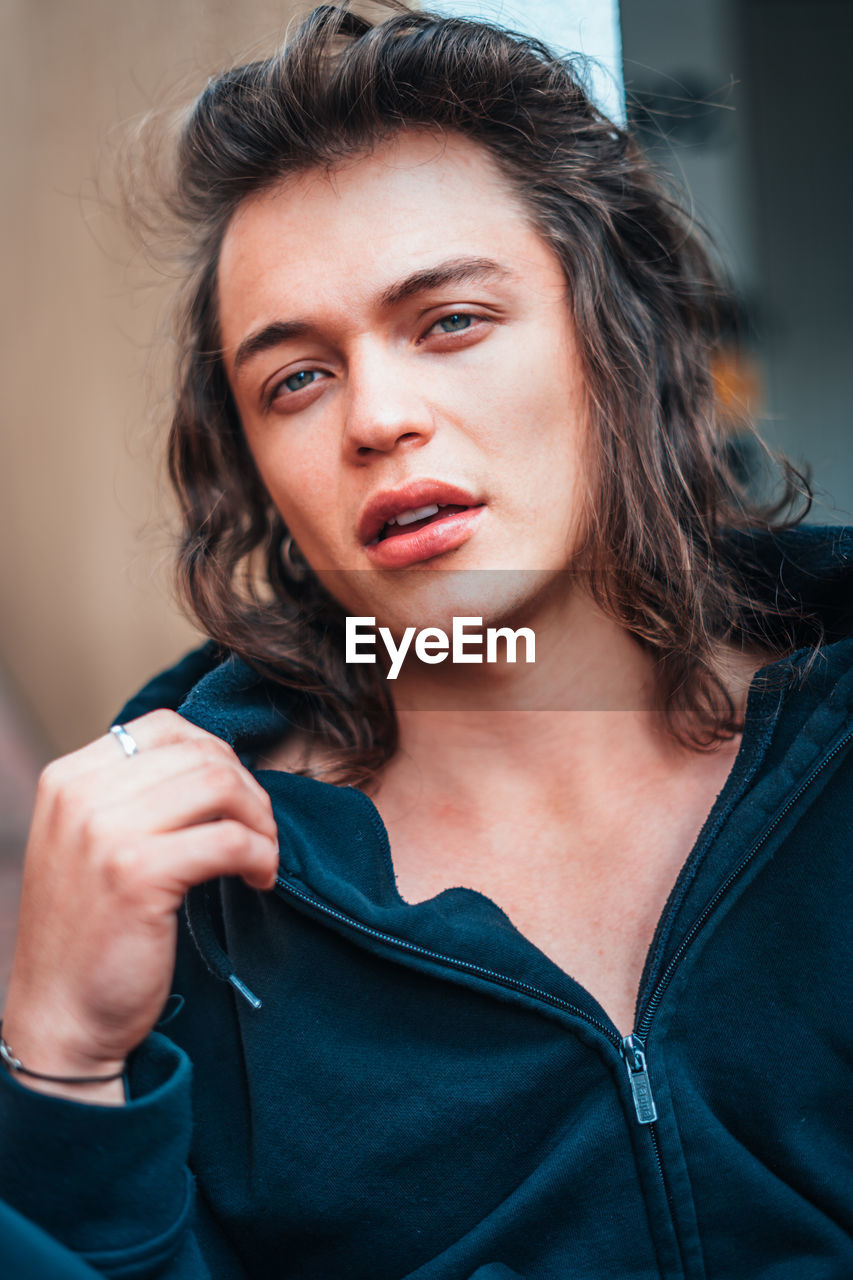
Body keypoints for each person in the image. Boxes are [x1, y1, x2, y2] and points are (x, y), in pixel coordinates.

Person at [1, 4, 852, 1277]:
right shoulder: (202, 903)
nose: (378, 417)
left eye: (449, 320)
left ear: (619, 337)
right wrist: (61, 1062)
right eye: (295, 377)